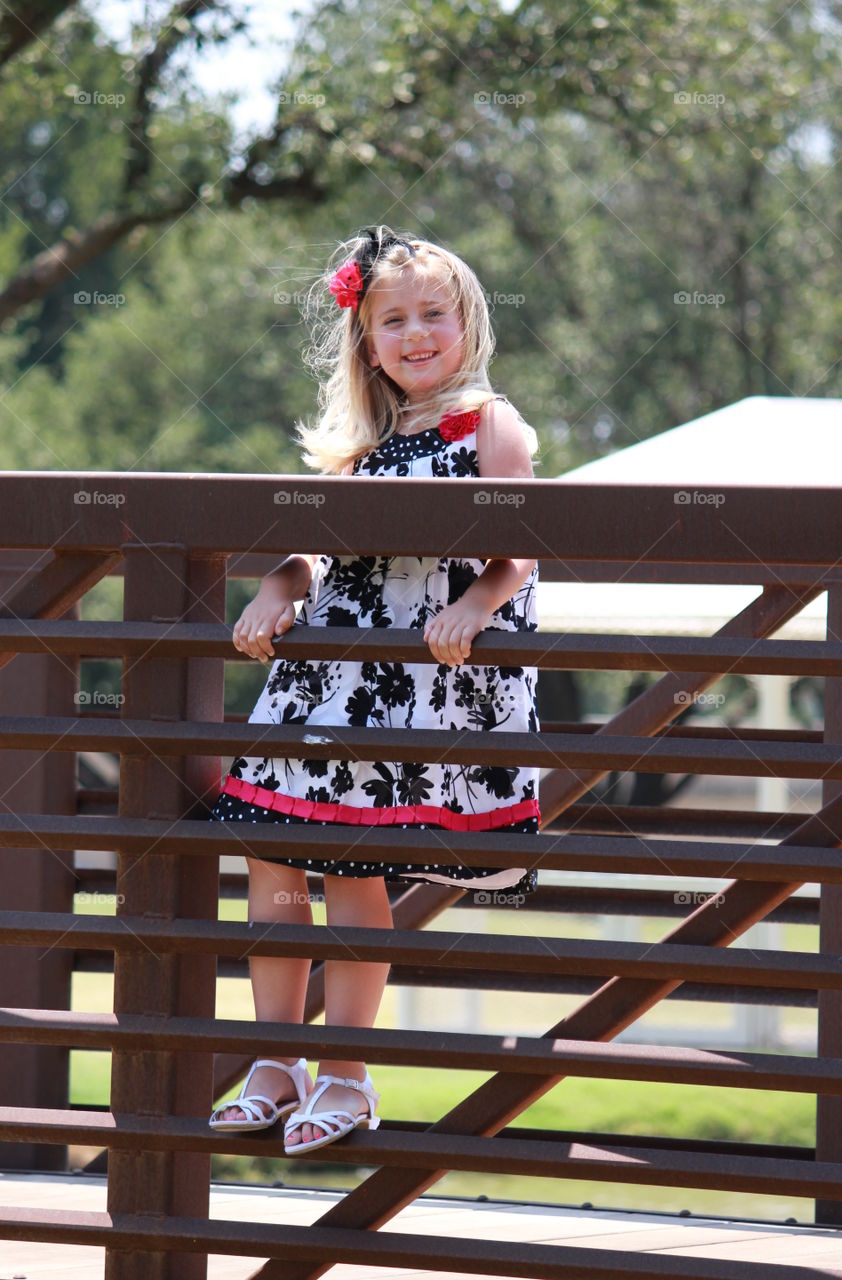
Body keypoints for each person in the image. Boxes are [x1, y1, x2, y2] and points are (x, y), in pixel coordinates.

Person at [208, 224, 541, 1155]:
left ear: (467, 323)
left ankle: (347, 1074)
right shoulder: (362, 441)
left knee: (356, 868)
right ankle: (275, 1061)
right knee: (273, 856)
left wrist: (478, 600)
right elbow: (316, 548)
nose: (416, 334)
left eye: (434, 314)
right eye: (393, 319)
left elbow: (521, 545)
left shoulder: (489, 423)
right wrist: (280, 587)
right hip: (326, 680)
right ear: (366, 339)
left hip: (416, 677)